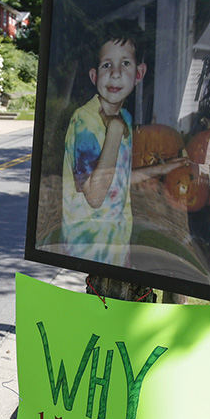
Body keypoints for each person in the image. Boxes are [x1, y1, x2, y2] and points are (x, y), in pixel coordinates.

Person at [61, 32, 148, 267]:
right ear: (94, 75)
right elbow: (96, 196)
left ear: (139, 73)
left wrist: (163, 169)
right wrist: (115, 132)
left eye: (126, 63)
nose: (116, 73)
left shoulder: (125, 118)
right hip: (87, 249)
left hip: (116, 245)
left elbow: (119, 178)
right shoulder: (85, 121)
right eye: (107, 64)